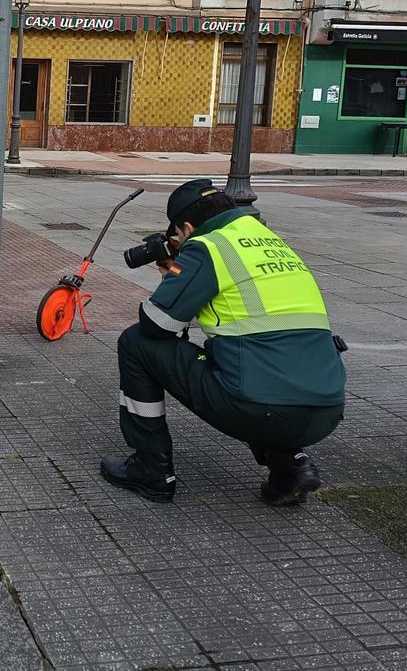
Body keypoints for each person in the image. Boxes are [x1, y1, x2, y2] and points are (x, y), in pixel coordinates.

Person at [101, 179, 346, 507]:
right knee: (259, 366)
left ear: (188, 228)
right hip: (327, 409)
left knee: (135, 342)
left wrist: (173, 274)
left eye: (177, 237)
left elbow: (157, 323)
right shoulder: (267, 240)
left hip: (262, 407)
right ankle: (290, 465)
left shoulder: (207, 246)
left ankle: (151, 468)